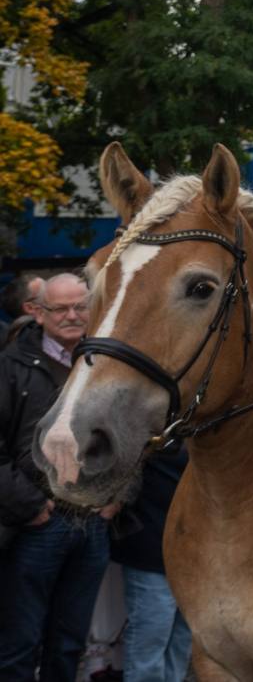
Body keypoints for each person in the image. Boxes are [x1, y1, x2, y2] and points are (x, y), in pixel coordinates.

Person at [0, 274, 116, 682]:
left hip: (93, 524)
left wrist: (116, 497)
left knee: (69, 644)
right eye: (60, 309)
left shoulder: (105, 363)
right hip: (36, 525)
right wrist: (31, 507)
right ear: (37, 313)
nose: (72, 316)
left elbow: (135, 434)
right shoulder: (11, 366)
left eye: (80, 307)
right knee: (19, 643)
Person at [112, 444, 192, 682]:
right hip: (151, 553)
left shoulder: (203, 430)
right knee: (148, 648)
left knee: (180, 645)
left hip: (190, 560)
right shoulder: (154, 432)